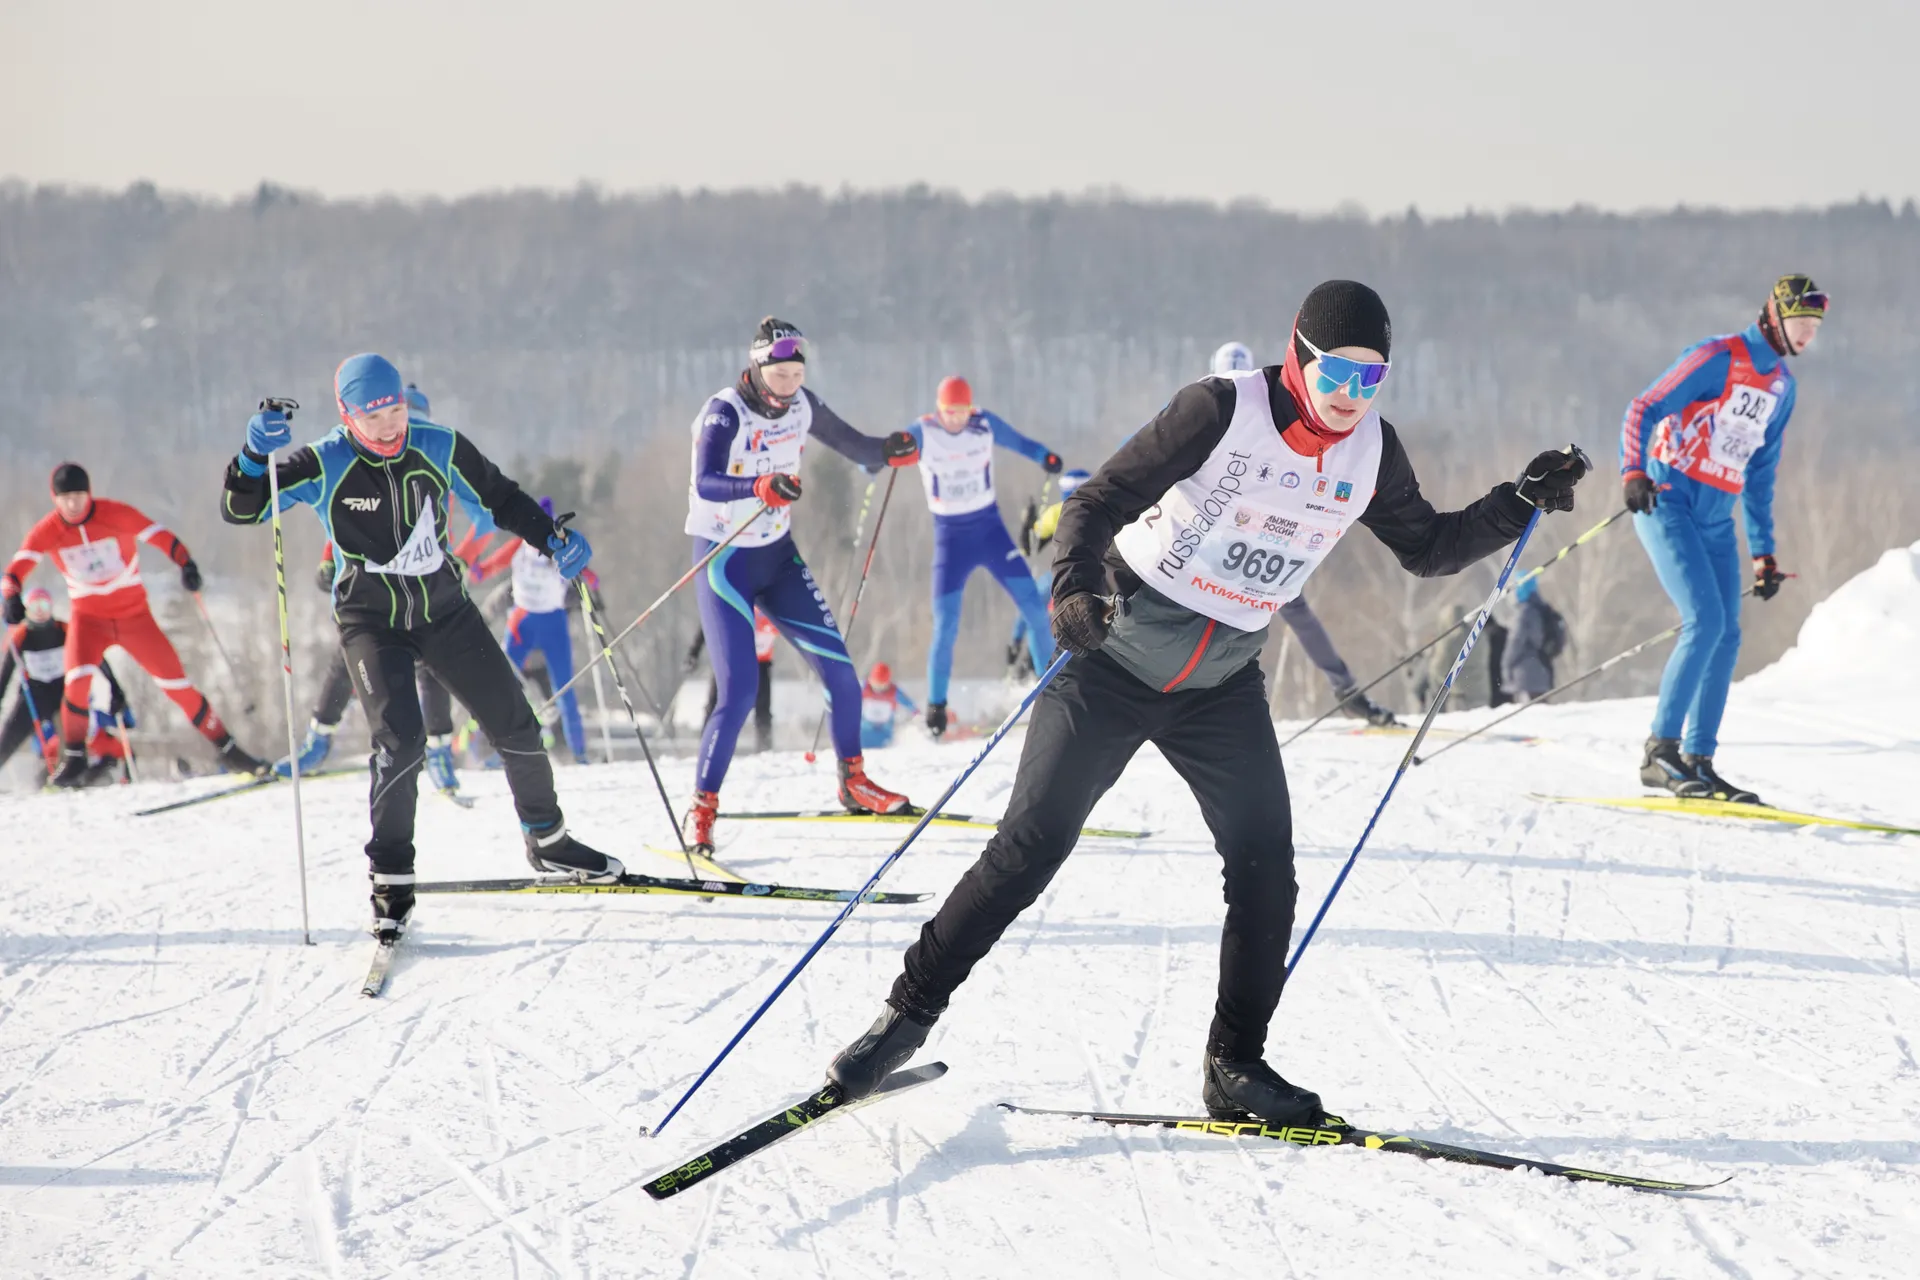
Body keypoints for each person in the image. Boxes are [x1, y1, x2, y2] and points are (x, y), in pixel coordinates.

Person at [824, 280, 1589, 1123]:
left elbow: (1430, 548)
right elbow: (1095, 502)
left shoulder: (1372, 451)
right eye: (1337, 373)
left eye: (1371, 379)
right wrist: (1073, 589)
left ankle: (1235, 1067)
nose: (1351, 396)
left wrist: (1516, 502)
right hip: (1113, 659)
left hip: (1220, 684)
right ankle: (902, 1020)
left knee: (1266, 870)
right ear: (1298, 356)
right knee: (1030, 846)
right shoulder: (1222, 410)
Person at [221, 353, 621, 942]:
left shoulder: (438, 444)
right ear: (347, 415)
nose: (389, 426)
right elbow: (243, 508)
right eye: (373, 416)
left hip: (444, 612)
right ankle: (391, 878)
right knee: (401, 741)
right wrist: (253, 456)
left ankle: (549, 839)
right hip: (370, 622)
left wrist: (552, 538)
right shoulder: (326, 461)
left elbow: (502, 498)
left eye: (396, 411)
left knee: (516, 723)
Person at [684, 318, 922, 853]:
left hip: (777, 558)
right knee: (739, 691)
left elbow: (855, 446)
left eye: (797, 374)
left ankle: (853, 781)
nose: (789, 384)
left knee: (842, 676)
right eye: (780, 375)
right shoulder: (725, 411)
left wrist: (889, 449)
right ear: (756, 368)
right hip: (725, 560)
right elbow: (706, 480)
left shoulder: (802, 406)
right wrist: (759, 485)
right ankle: (702, 808)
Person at [1622, 275, 1825, 804]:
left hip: (1716, 519)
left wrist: (1764, 552)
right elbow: (1643, 406)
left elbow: (1761, 474)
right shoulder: (1717, 356)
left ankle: (1698, 760)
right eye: (1801, 322)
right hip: (1668, 503)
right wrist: (1633, 471)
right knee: (1705, 621)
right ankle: (1659, 752)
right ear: (1774, 315)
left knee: (1728, 634)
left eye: (1815, 325)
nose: (1808, 334)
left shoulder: (1781, 387)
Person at [3, 463, 266, 786]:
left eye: (79, 496)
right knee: (76, 683)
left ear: (89, 494)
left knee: (177, 685)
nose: (73, 504)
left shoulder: (115, 514)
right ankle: (75, 758)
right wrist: (11, 597)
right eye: (66, 498)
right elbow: (15, 569)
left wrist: (185, 563)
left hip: (134, 618)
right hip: (89, 621)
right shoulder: (48, 530)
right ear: (55, 499)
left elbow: (159, 535)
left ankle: (228, 749)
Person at [1213, 341, 1396, 726]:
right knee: (1292, 613)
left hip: (1241, 536)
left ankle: (1344, 689)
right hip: (1248, 535)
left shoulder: (1227, 402)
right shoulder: (1246, 403)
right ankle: (1345, 689)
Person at [905, 375, 1063, 739]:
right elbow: (888, 450)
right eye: (950, 412)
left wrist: (1045, 456)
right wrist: (876, 459)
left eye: (962, 411)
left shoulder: (984, 424)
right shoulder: (924, 431)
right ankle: (936, 706)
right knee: (946, 624)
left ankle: (1050, 688)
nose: (957, 419)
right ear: (939, 410)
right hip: (950, 541)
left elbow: (1020, 442)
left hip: (991, 533)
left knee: (1034, 607)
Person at [275, 541, 470, 800]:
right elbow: (336, 519)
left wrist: (461, 559)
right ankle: (318, 741)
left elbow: (477, 522)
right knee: (346, 660)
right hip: (367, 593)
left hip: (417, 587)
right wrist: (327, 560)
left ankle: (439, 751)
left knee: (430, 664)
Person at [471, 497, 595, 765]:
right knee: (501, 683)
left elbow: (585, 572)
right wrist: (474, 565)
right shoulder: (518, 546)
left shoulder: (558, 545)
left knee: (565, 688)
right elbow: (484, 570)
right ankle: (487, 752)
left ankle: (579, 753)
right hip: (522, 622)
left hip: (553, 623)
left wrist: (589, 583)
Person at [1009, 468, 1093, 677]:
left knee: (1034, 603)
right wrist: (1028, 525)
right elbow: (1031, 546)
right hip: (1074, 574)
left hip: (1069, 575)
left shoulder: (1058, 512)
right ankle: (1028, 658)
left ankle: (1025, 655)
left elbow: (1029, 546)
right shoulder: (1068, 511)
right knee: (1036, 603)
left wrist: (1027, 526)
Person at [1, 587, 66, 777]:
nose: (39, 611)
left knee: (70, 736)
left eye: (43, 605)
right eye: (34, 606)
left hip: (61, 694)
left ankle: (66, 774)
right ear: (27, 609)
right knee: (9, 737)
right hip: (34, 696)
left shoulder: (63, 630)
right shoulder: (21, 635)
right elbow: (6, 672)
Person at [1501, 577, 1563, 703]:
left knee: (1528, 711)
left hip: (1525, 673)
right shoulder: (1543, 609)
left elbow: (1515, 642)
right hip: (1543, 668)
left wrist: (1506, 666)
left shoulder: (1525, 613)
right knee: (1541, 708)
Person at [860, 662, 920, 750]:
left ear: (888, 683)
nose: (878, 689)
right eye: (876, 684)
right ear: (870, 680)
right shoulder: (864, 688)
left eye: (882, 685)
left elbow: (908, 703)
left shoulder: (893, 692)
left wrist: (916, 712)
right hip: (864, 730)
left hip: (885, 731)